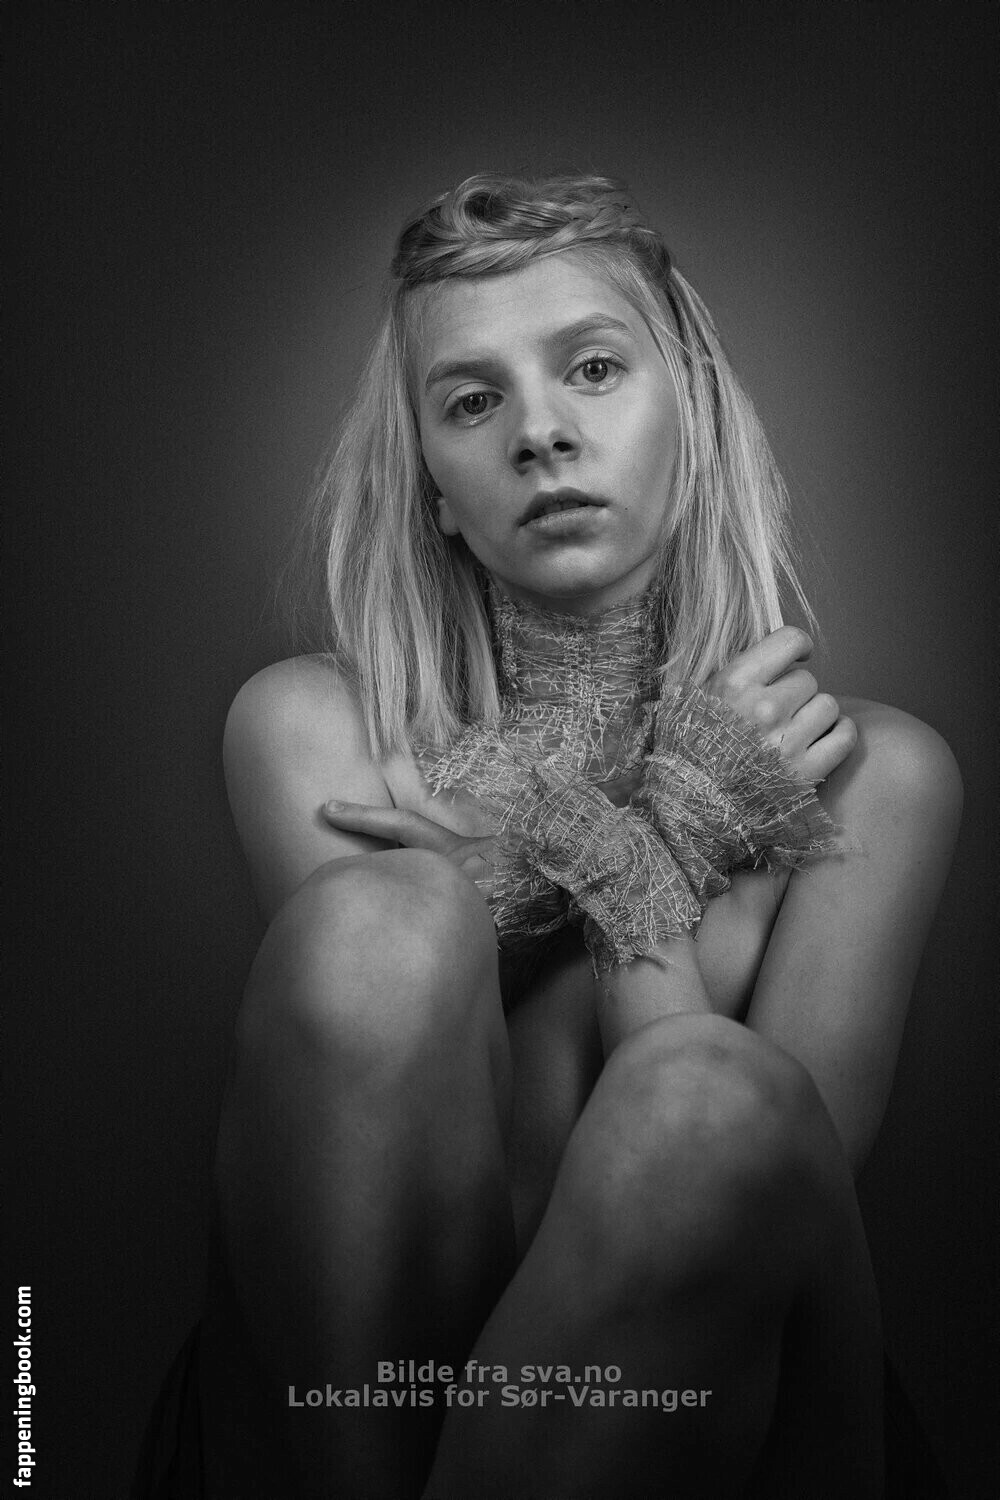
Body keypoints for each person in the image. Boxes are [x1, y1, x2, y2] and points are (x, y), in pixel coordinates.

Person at [156, 175, 961, 1499]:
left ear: (692, 415)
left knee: (710, 1101)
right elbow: (363, 1149)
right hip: (347, 1419)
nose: (541, 433)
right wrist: (639, 828)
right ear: (434, 488)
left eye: (592, 368)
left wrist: (618, 854)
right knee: (384, 919)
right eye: (473, 401)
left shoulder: (873, 780)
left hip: (693, 1417)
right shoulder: (312, 727)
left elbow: (726, 1207)